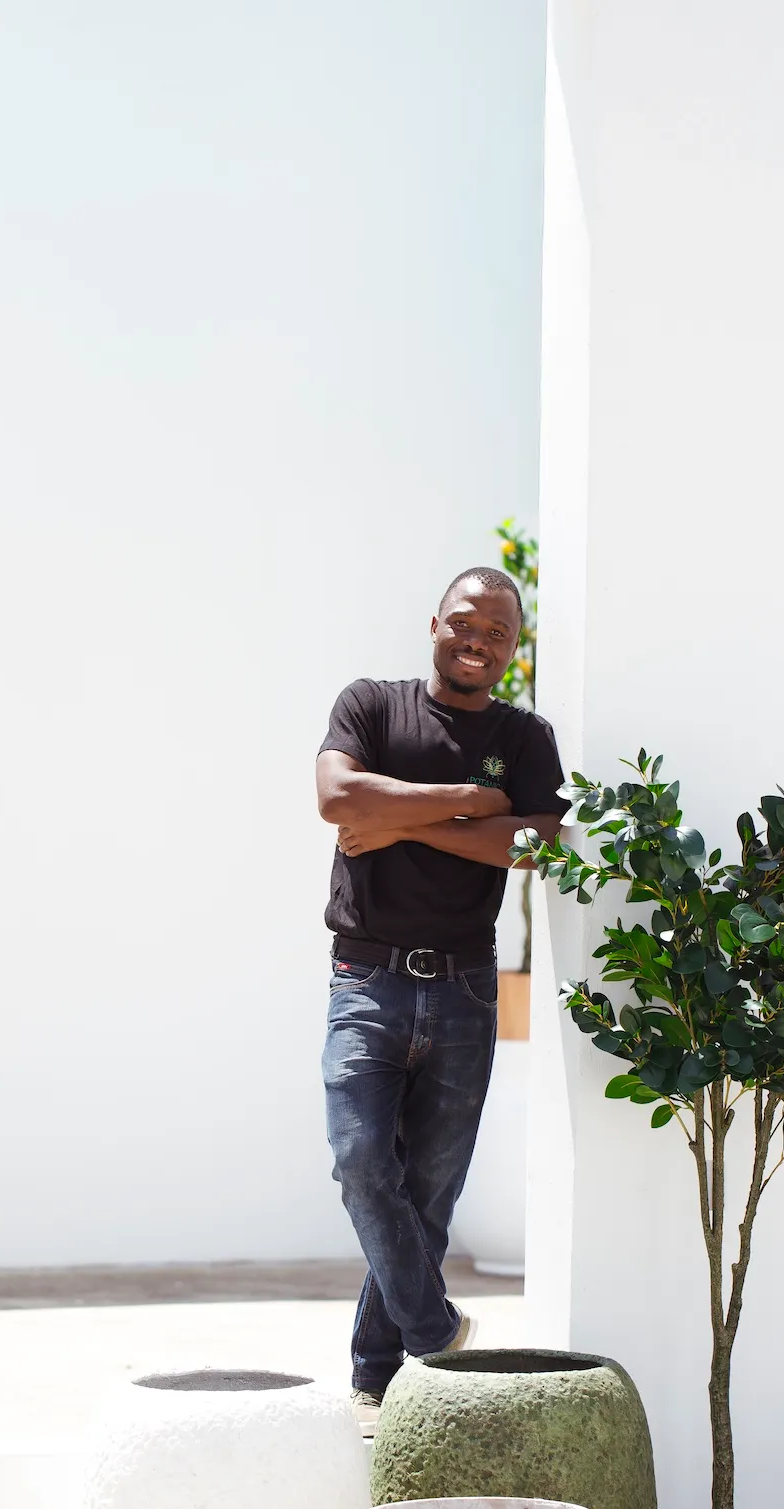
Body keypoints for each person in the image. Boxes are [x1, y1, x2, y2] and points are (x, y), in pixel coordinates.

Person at [316, 565, 565, 1433]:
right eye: (465, 622)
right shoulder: (372, 707)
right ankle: (435, 1333)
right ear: (434, 623)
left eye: (498, 632)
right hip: (367, 978)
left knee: (427, 1197)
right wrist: (467, 803)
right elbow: (337, 797)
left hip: (464, 988)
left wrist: (398, 818)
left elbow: (538, 841)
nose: (478, 641)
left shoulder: (524, 736)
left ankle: (376, 1378)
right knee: (360, 1162)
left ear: (513, 647)